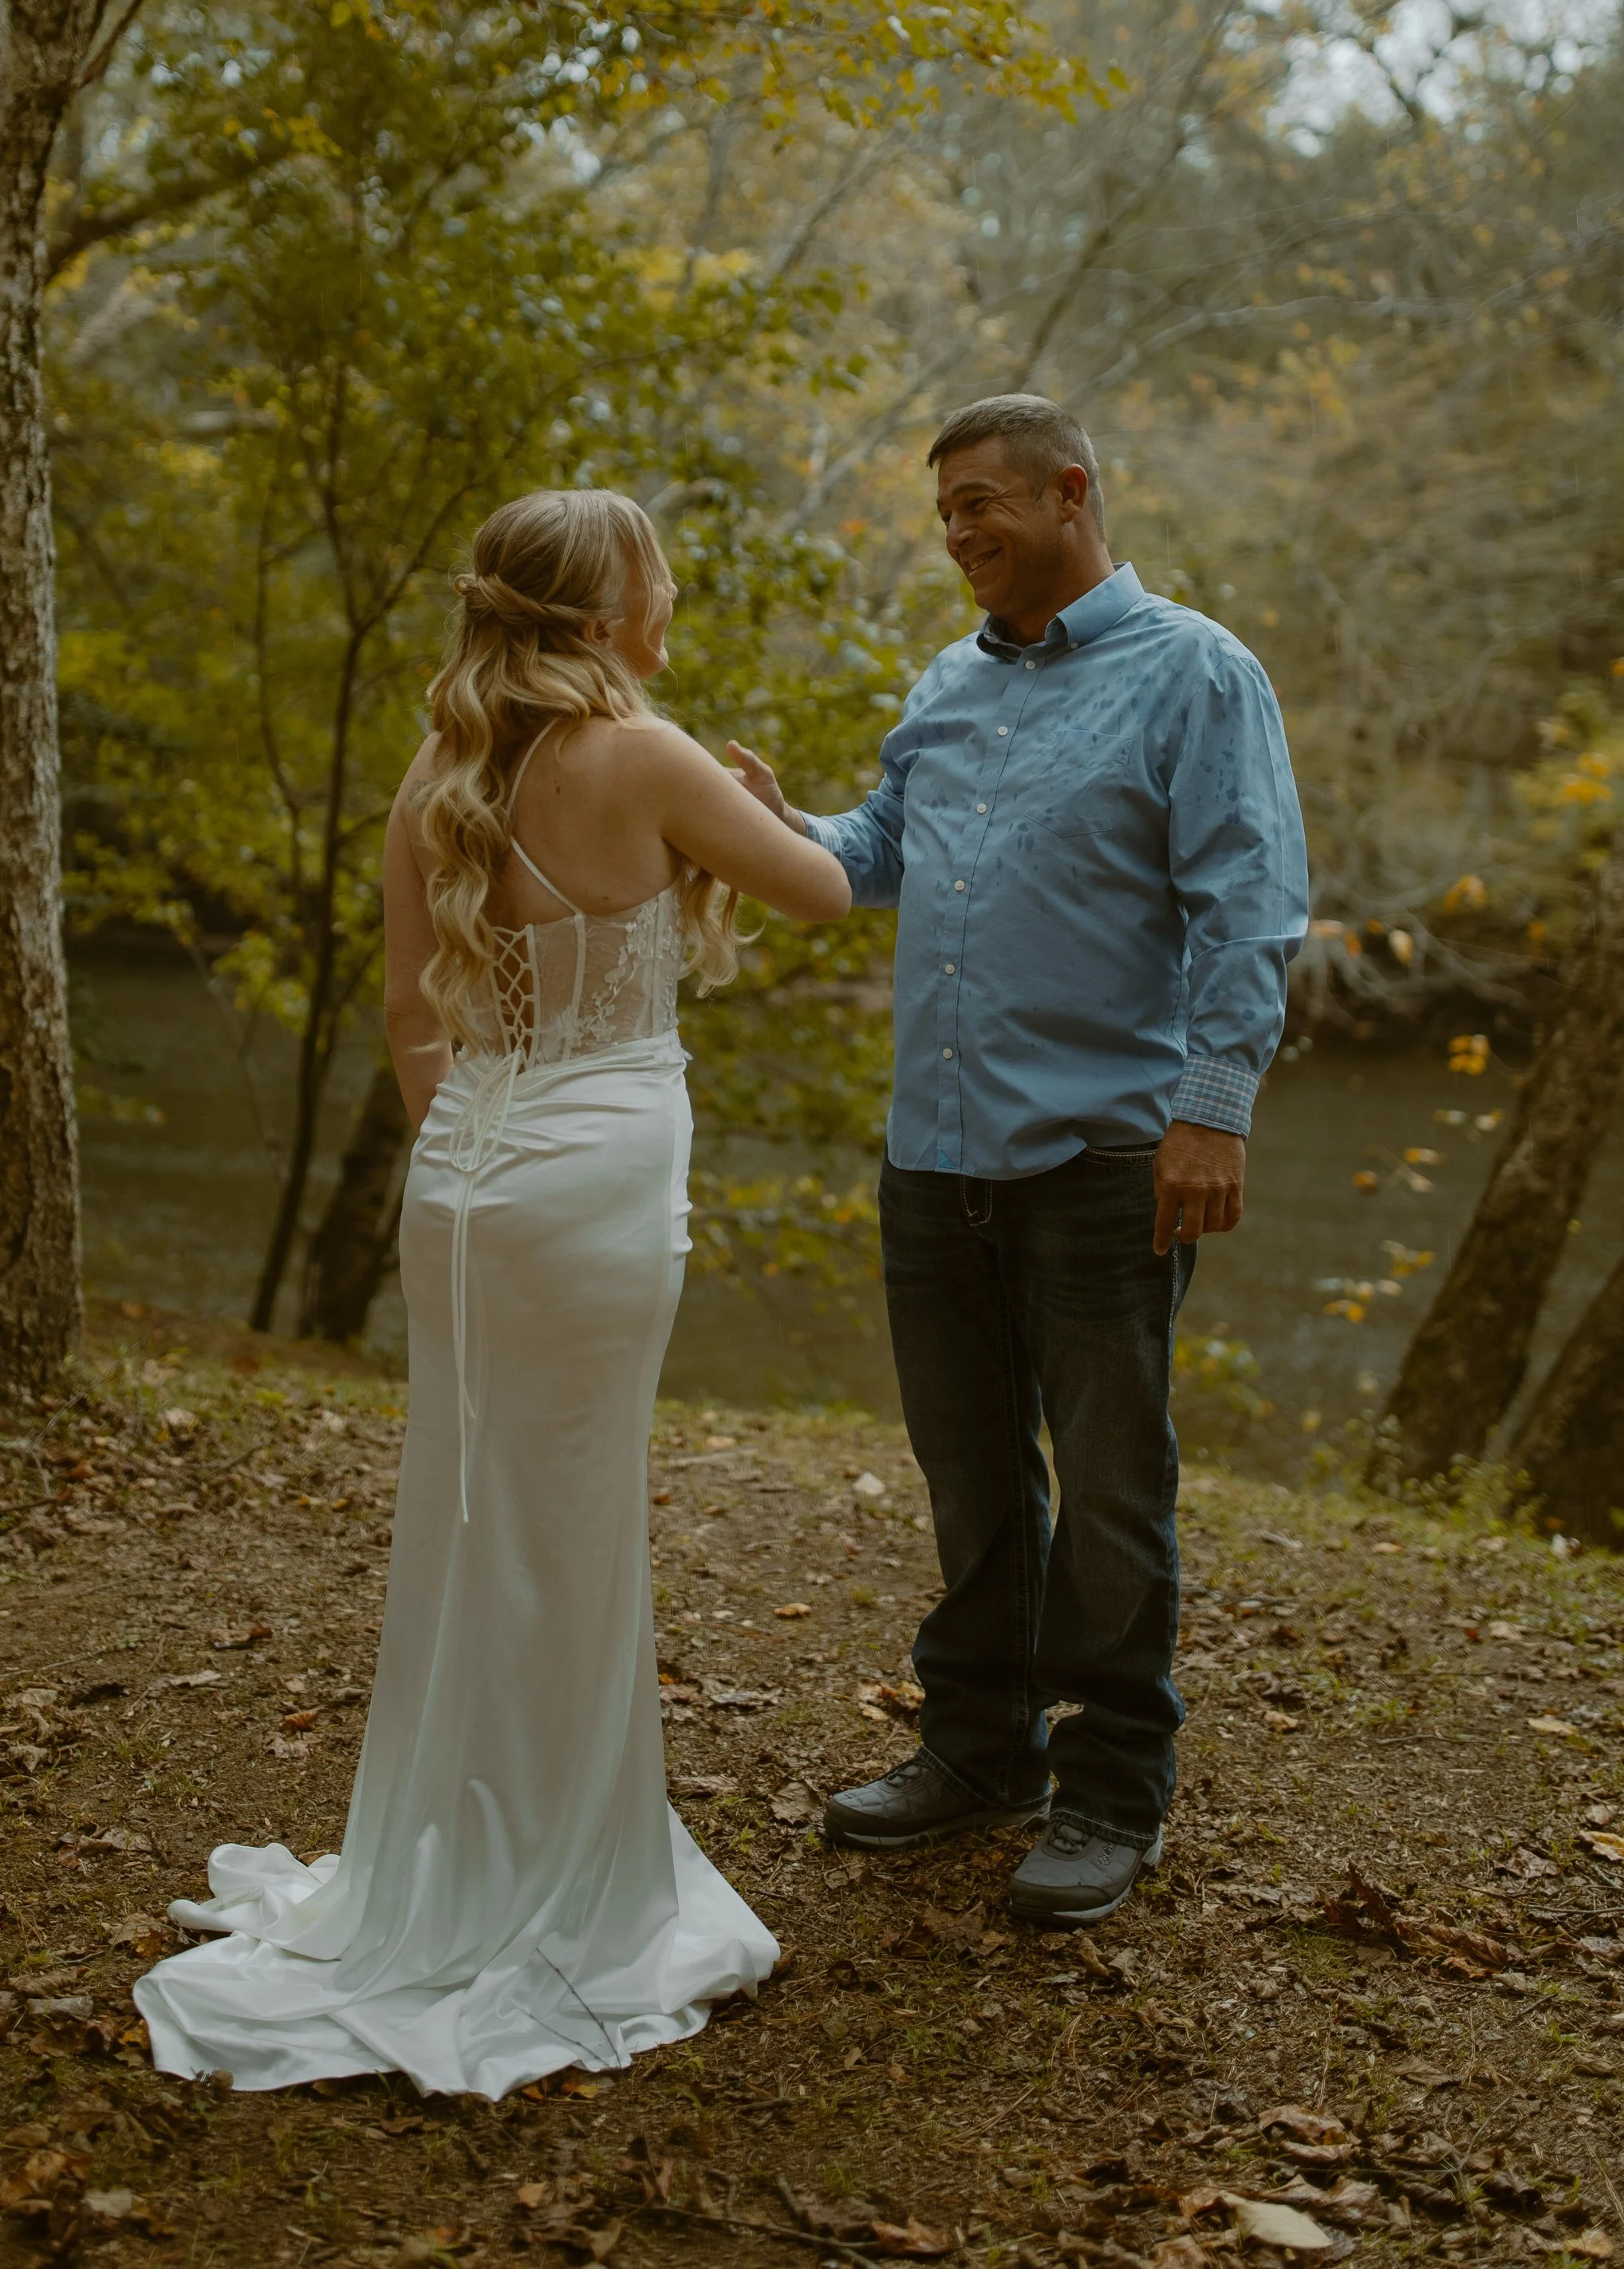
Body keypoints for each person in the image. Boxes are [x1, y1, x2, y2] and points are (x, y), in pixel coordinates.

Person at [136, 487, 849, 2096]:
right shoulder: (647, 755)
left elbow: (411, 1014)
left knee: (471, 1530)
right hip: (591, 1188)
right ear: (601, 616)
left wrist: (462, 1158)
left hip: (462, 1187)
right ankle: (565, 1887)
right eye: (655, 583)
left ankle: (456, 1852)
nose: (669, 605)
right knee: (572, 1527)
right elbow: (825, 895)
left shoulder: (440, 775)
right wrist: (778, 813)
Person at [731, 393, 1307, 1929]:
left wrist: (1215, 1104)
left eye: (983, 502)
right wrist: (776, 821)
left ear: (1072, 493)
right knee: (972, 1477)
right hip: (936, 1158)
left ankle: (1115, 1782)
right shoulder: (946, 683)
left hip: (1104, 1154)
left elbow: (1250, 904)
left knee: (1112, 1485)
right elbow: (875, 858)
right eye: (944, 516)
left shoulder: (1196, 671)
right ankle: (979, 1749)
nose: (961, 534)